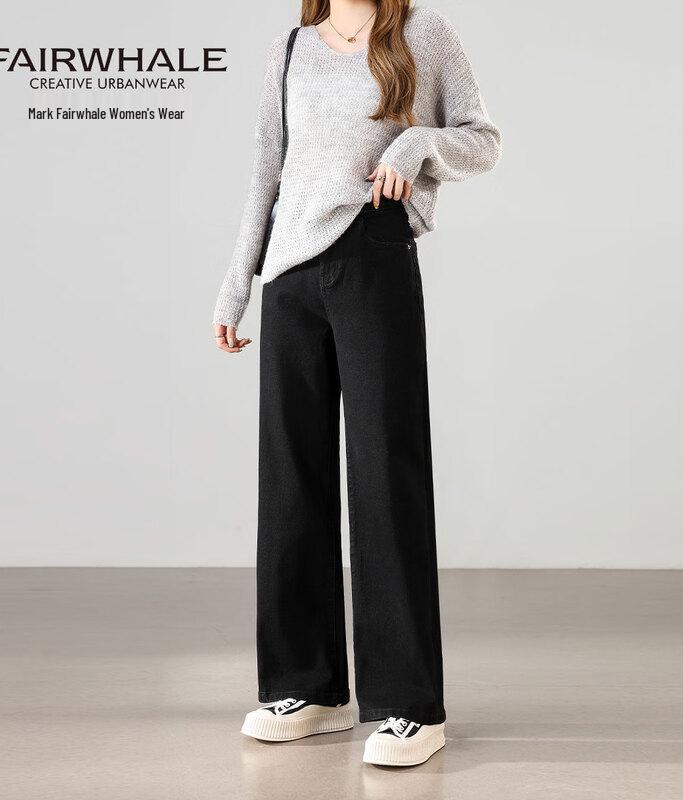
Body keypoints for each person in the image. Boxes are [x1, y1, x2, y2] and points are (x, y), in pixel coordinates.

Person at [212, 0, 501, 767]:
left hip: (372, 252)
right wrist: (237, 286)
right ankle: (309, 689)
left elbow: (482, 141)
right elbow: (267, 170)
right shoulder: (289, 48)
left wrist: (416, 144)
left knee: (383, 472)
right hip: (290, 274)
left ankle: (410, 707)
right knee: (291, 478)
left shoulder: (421, 33)